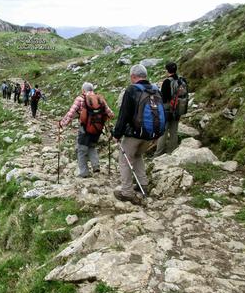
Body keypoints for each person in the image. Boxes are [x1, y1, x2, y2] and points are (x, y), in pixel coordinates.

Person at [112, 64, 163, 203]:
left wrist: (117, 134)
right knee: (138, 155)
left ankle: (127, 192)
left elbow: (124, 115)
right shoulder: (155, 90)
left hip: (134, 134)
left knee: (125, 160)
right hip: (150, 134)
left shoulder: (132, 90)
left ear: (133, 76)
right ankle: (143, 185)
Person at [59, 82, 114, 178]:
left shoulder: (80, 99)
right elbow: (110, 114)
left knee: (81, 149)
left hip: (85, 129)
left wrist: (62, 123)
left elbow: (71, 113)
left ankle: (84, 172)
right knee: (91, 146)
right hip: (97, 129)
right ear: (92, 89)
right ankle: (96, 166)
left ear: (83, 90)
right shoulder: (99, 99)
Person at [154, 62, 189, 156]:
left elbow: (164, 98)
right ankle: (172, 151)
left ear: (167, 70)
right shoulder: (182, 80)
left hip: (167, 110)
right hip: (178, 108)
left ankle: (158, 153)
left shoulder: (167, 82)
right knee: (174, 131)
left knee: (163, 131)